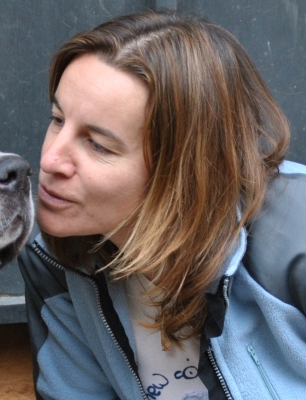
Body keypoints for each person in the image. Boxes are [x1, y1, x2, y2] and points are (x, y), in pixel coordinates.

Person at [18, 10, 306, 400]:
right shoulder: (54, 256)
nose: (51, 160)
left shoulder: (296, 234)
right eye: (57, 119)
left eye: (97, 145)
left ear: (182, 170)